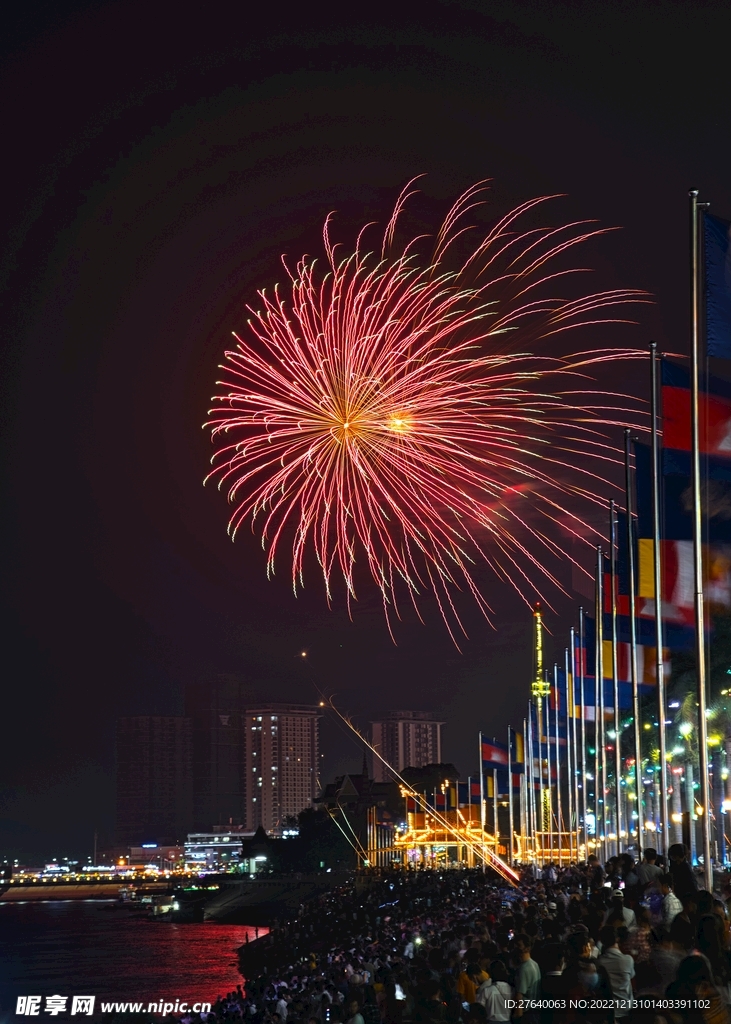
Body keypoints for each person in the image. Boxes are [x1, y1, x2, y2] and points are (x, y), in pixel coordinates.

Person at [596, 925, 635, 1018]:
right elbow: (631, 977)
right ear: (617, 939)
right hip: (627, 1009)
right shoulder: (628, 960)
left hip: (608, 1011)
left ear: (601, 941)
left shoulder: (599, 962)